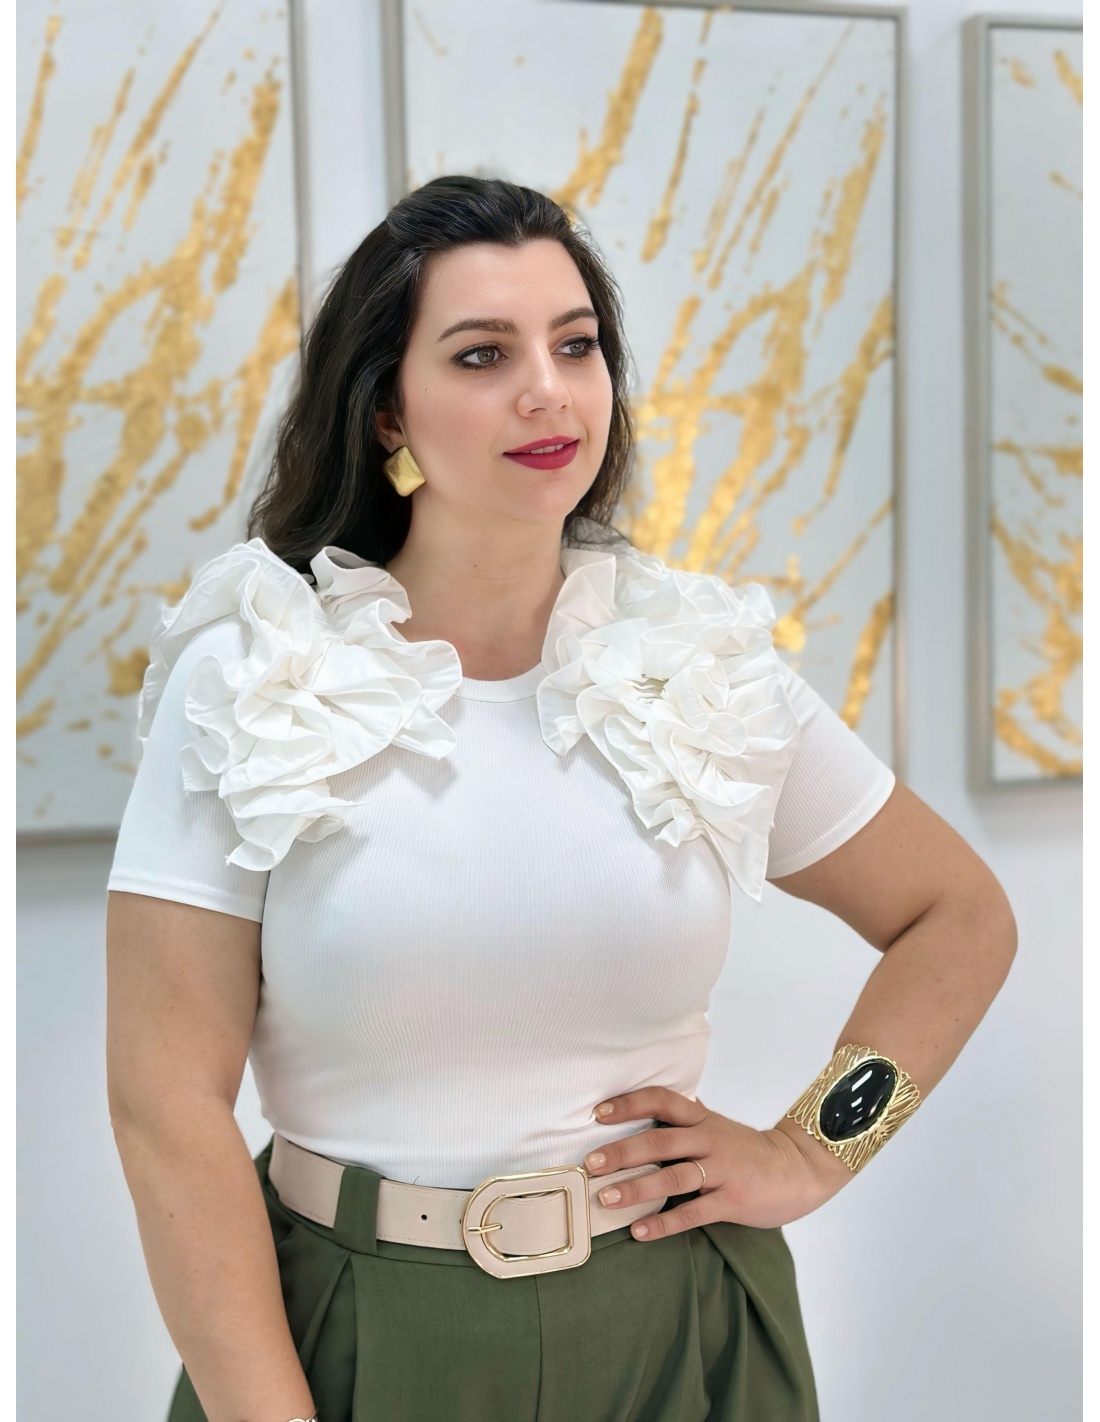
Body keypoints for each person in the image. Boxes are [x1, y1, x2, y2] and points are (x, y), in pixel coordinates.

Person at [105, 176, 1018, 1422]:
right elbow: (164, 1105)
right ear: (385, 409)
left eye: (575, 345)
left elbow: (955, 914)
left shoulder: (694, 661)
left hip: (682, 1326)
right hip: (356, 1332)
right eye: (482, 354)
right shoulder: (254, 676)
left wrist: (811, 1150)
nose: (547, 390)